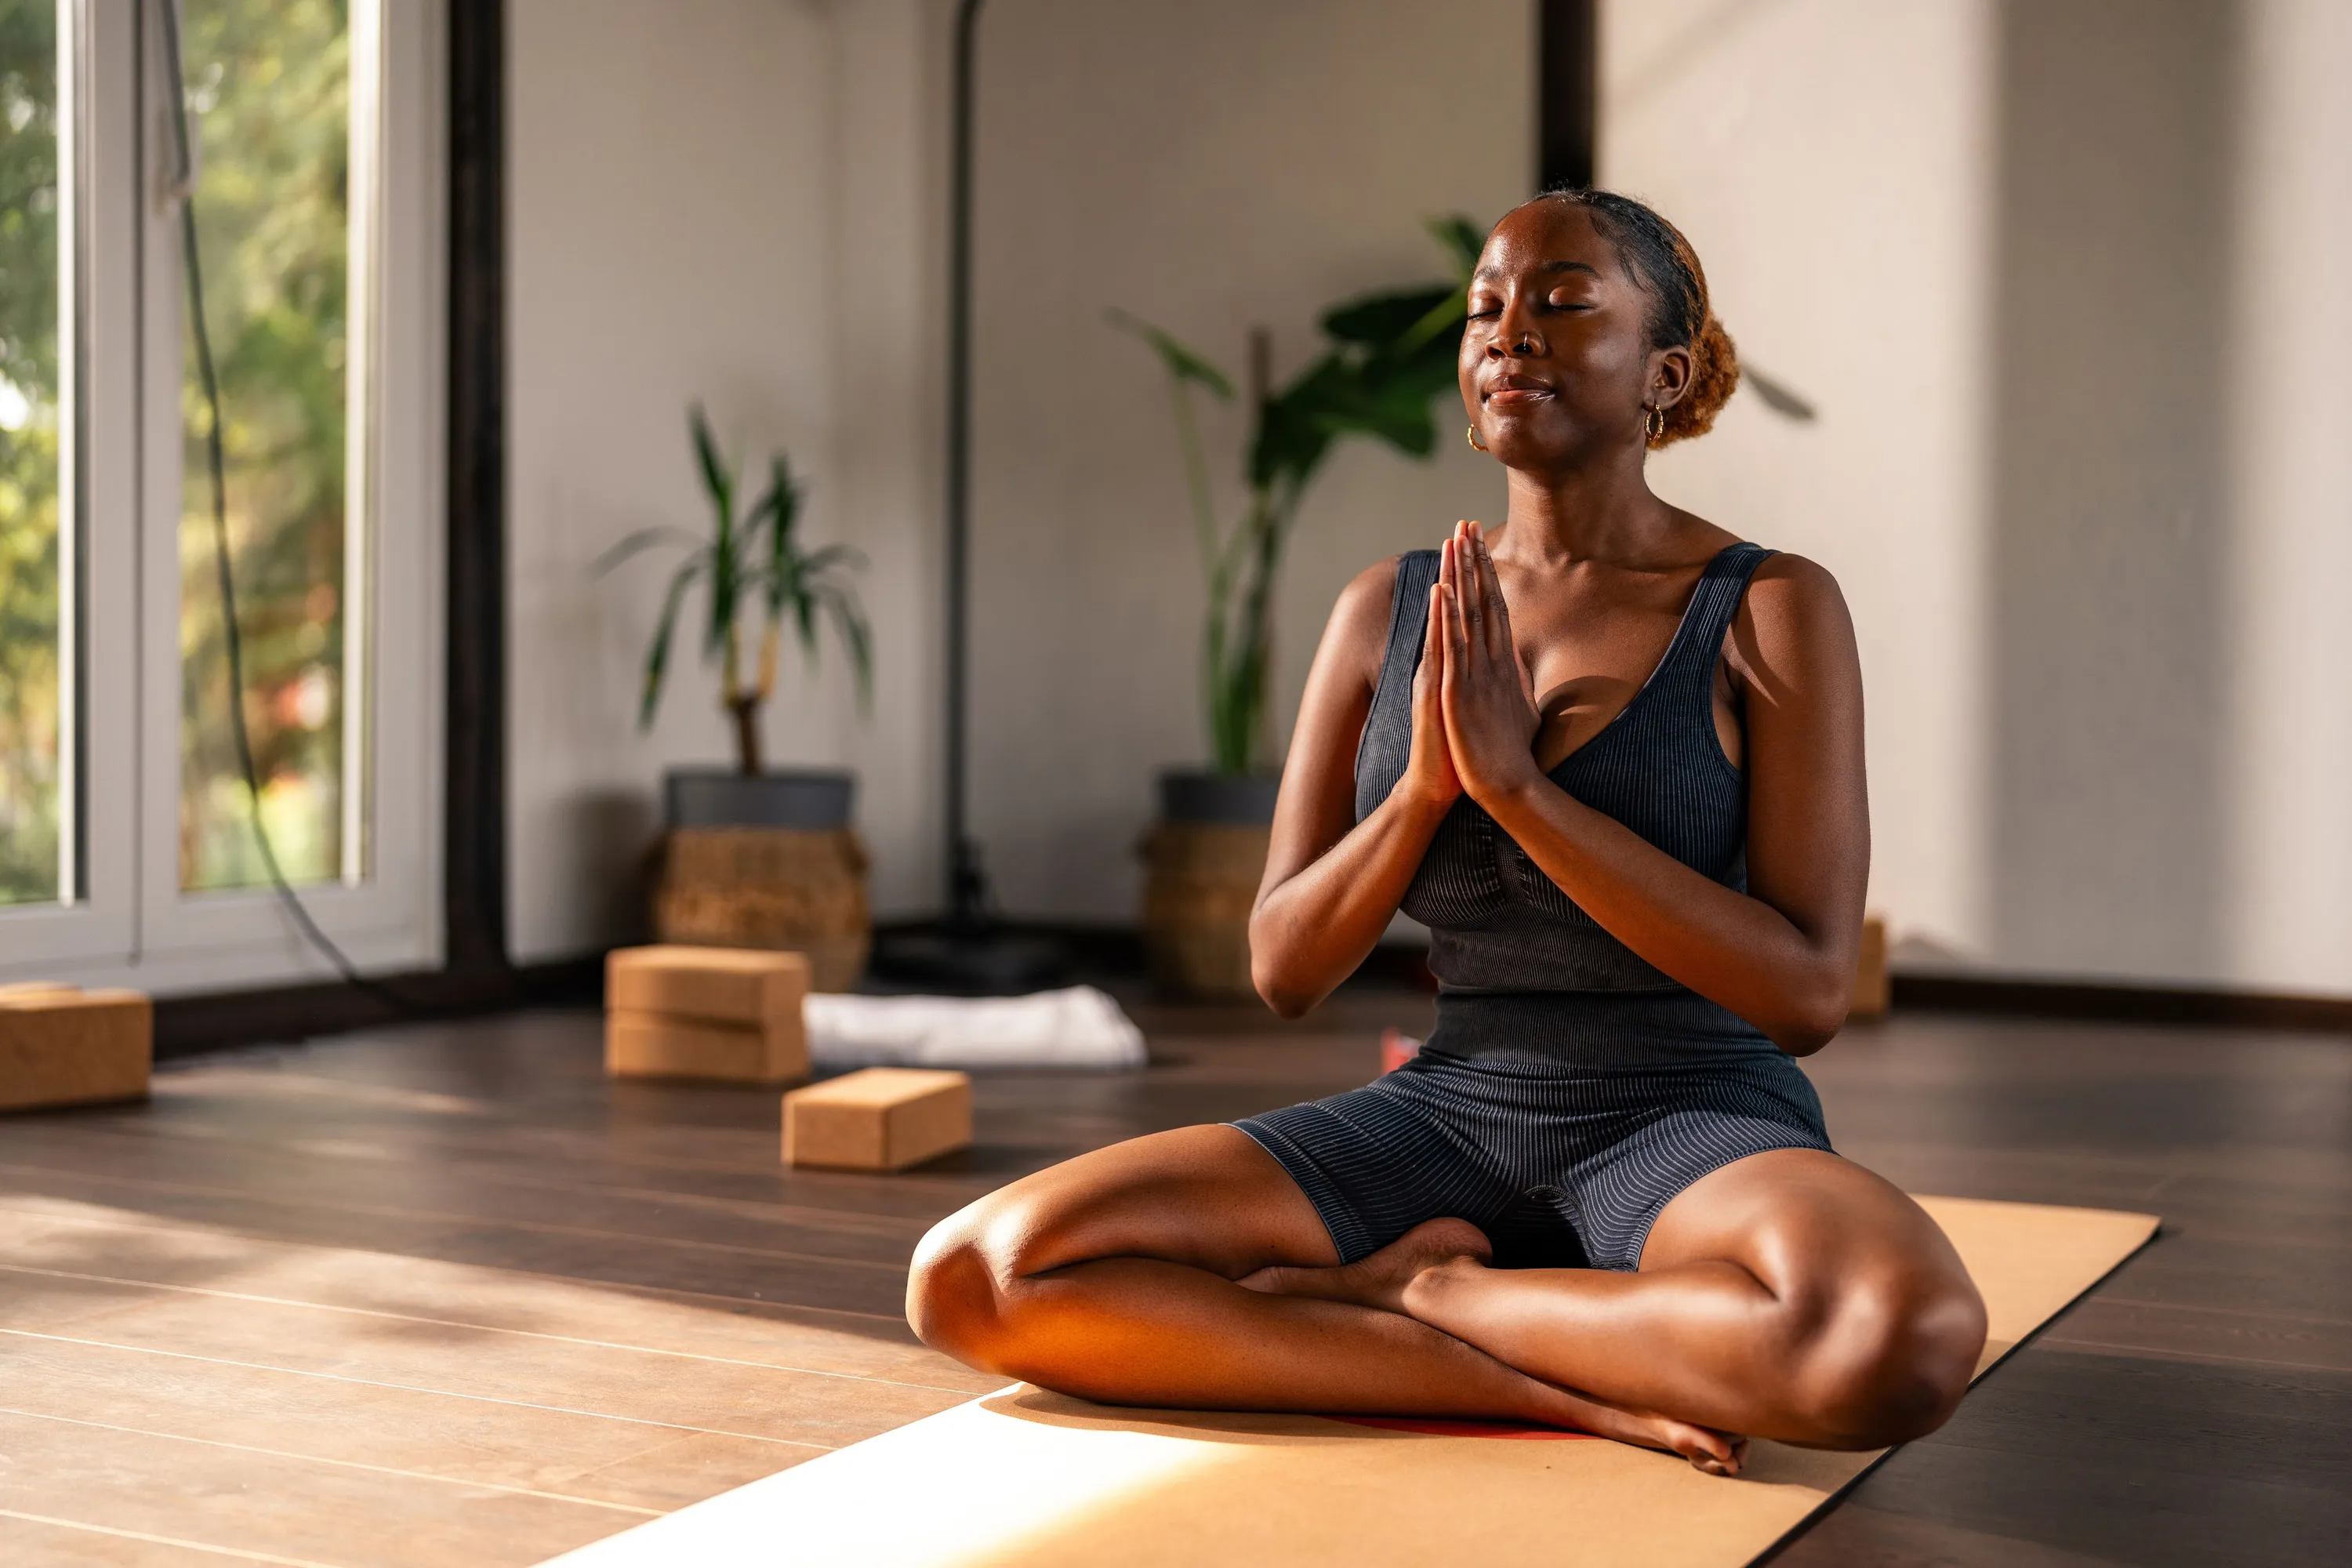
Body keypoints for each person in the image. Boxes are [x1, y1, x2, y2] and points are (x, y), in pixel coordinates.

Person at [906, 190, 1987, 1474]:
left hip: (1696, 1115)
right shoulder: (1385, 609)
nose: (1510, 332)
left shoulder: (1770, 608)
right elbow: (1285, 968)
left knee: (1894, 1335)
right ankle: (1524, 1374)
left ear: (1666, 373)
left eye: (1564, 303)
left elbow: (1806, 993)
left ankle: (1436, 1292)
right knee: (976, 1276)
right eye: (1487, 310)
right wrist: (1427, 786)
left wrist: (1522, 794)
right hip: (1449, 1112)